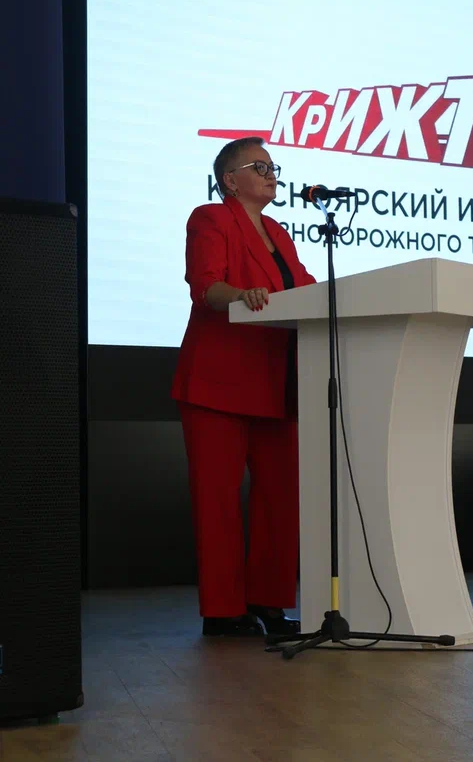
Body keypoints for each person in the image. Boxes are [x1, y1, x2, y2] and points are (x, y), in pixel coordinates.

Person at [171, 137, 315, 637]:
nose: (272, 173)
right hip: (219, 381)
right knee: (217, 500)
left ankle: (269, 603)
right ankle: (223, 610)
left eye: (273, 166)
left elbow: (305, 289)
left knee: (281, 497)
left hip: (277, 381)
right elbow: (205, 285)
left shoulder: (279, 232)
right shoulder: (210, 218)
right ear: (230, 180)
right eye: (260, 166)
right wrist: (242, 294)